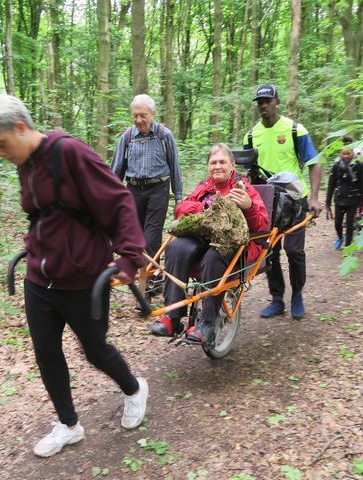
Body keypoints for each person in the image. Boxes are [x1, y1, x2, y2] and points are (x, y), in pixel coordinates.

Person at [0, 94, 149, 458]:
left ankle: (134, 389)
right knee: (47, 353)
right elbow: (42, 215)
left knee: (96, 351)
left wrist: (130, 257)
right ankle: (69, 425)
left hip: (83, 277)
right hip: (39, 278)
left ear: (20, 128)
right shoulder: (25, 161)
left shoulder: (70, 153)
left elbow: (119, 201)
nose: (1, 153)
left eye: (2, 144)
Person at [148, 143, 270, 342]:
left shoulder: (243, 188)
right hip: (202, 237)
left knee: (214, 257)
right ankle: (173, 317)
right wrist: (205, 207)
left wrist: (248, 206)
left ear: (232, 165)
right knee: (175, 247)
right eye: (213, 162)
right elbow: (181, 209)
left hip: (233, 243)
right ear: (208, 166)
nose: (217, 166)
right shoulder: (204, 187)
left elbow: (262, 224)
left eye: (222, 162)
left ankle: (207, 323)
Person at [243, 84, 321, 320]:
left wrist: (315, 198)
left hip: (295, 198)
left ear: (277, 101)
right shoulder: (251, 135)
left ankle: (297, 295)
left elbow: (314, 163)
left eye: (267, 100)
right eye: (260, 102)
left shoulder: (295, 129)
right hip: (266, 201)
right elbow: (248, 171)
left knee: (294, 250)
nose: (263, 105)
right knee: (269, 251)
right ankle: (277, 299)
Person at [111, 94, 183, 258]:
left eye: (143, 115)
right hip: (133, 191)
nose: (138, 120)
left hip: (158, 190)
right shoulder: (127, 137)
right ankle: (140, 277)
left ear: (152, 114)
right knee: (134, 238)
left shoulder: (164, 135)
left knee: (151, 238)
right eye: (135, 115)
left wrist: (179, 197)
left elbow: (174, 166)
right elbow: (116, 170)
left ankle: (153, 280)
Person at [325, 147, 363, 249]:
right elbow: (331, 184)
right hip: (339, 198)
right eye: (344, 154)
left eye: (348, 154)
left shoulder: (359, 166)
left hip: (353, 199)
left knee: (350, 223)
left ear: (352, 154)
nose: (346, 156)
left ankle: (348, 246)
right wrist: (328, 202)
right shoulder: (336, 166)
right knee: (337, 223)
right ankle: (340, 237)